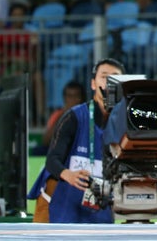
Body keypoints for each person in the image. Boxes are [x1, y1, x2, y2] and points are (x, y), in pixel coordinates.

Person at [37, 58, 125, 223]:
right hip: (66, 212)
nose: (109, 82)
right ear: (93, 84)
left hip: (102, 213)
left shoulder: (127, 124)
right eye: (104, 76)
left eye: (115, 77)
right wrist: (67, 174)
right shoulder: (74, 116)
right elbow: (52, 160)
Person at [36, 81, 87, 154]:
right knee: (39, 150)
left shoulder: (88, 114)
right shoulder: (57, 114)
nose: (72, 100)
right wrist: (64, 115)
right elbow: (46, 140)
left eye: (76, 96)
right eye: (69, 96)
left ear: (82, 98)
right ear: (64, 98)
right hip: (61, 148)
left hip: (80, 149)